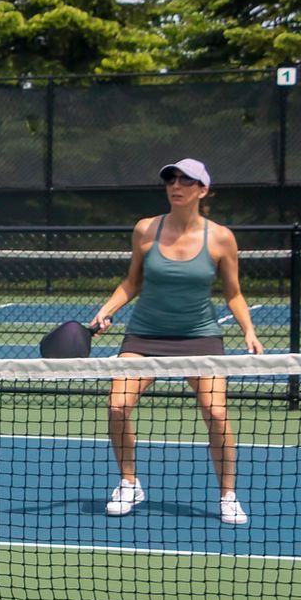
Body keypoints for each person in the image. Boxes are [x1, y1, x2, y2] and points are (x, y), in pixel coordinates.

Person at [91, 158, 263, 525]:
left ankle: (228, 495)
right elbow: (132, 281)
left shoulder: (220, 238)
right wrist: (107, 309)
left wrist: (247, 329)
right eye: (171, 178)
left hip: (200, 338)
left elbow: (233, 293)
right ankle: (128, 482)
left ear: (202, 190)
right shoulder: (145, 230)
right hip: (145, 335)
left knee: (217, 414)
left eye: (186, 180)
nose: (176, 185)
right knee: (118, 405)